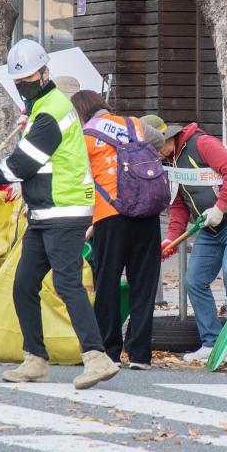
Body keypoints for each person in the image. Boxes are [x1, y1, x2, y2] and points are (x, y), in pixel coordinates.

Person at [0, 39, 118, 389]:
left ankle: (97, 357)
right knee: (23, 285)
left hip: (64, 211)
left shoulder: (49, 111)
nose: (25, 86)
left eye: (31, 79)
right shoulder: (43, 108)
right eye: (20, 82)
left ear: (46, 73)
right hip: (45, 213)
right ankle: (35, 359)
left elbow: (21, 165)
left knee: (67, 283)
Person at [158, 122, 227, 365]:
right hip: (208, 226)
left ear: (169, 137)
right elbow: (178, 204)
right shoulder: (167, 162)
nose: (155, 152)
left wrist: (221, 207)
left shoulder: (202, 143)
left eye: (157, 146)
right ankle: (211, 341)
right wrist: (171, 238)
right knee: (193, 280)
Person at [79, 91, 163, 370]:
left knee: (108, 283)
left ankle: (109, 351)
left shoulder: (84, 135)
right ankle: (140, 355)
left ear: (81, 112)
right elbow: (160, 141)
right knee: (144, 284)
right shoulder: (134, 124)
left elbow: (80, 178)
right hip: (146, 212)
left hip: (109, 214)